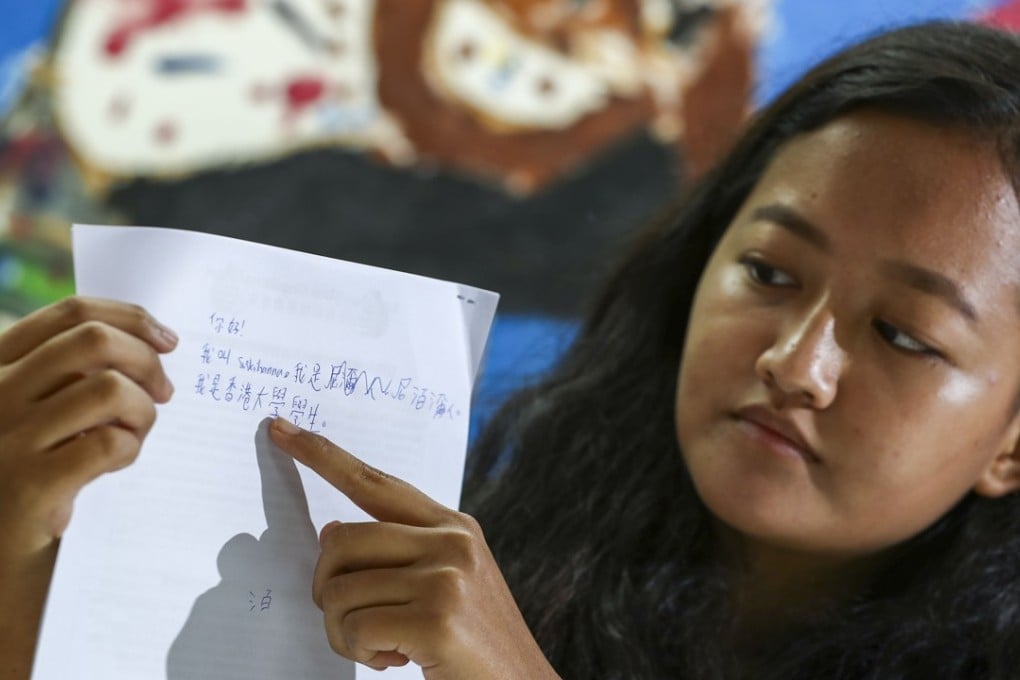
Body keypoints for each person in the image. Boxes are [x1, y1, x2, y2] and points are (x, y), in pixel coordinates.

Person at [3, 18, 1020, 680]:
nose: (798, 362)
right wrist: (17, 535)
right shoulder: (479, 533)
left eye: (902, 334)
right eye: (769, 272)